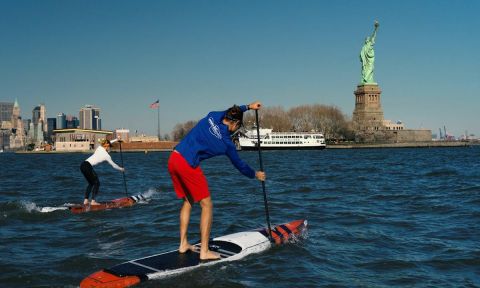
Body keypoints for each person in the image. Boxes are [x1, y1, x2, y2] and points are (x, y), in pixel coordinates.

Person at [168, 101, 265, 260]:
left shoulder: (213, 115)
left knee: (188, 201)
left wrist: (248, 107)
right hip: (187, 164)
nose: (236, 130)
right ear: (235, 123)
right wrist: (255, 174)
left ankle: (183, 244)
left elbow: (231, 110)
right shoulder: (227, 143)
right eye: (238, 126)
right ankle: (204, 251)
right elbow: (239, 165)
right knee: (207, 205)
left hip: (173, 158)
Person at [80, 138, 124, 205]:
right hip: (88, 166)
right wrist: (121, 169)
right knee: (97, 183)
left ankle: (86, 201)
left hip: (82, 165)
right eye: (109, 147)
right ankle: (93, 201)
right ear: (106, 146)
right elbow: (114, 165)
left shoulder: (99, 148)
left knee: (91, 183)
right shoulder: (107, 156)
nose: (109, 148)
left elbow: (108, 142)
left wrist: (116, 139)